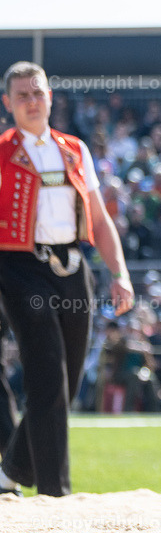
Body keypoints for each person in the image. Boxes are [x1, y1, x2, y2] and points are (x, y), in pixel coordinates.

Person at [0, 62, 135, 497]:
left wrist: (120, 273)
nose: (32, 101)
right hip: (18, 267)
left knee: (69, 379)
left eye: (37, 93)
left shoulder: (74, 148)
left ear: (51, 97)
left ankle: (9, 473)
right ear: (8, 104)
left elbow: (97, 217)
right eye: (22, 95)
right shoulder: (1, 150)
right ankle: (56, 491)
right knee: (47, 373)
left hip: (73, 266)